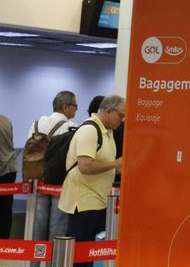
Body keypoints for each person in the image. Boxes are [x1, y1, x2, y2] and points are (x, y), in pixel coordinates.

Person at [57, 95, 124, 259]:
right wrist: (115, 165)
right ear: (109, 111)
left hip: (97, 201)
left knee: (90, 254)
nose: (122, 120)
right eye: (121, 115)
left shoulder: (107, 132)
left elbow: (103, 166)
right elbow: (85, 166)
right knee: (80, 255)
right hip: (84, 203)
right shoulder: (89, 130)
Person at [27, 91, 78, 239]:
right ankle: (55, 261)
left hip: (37, 179)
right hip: (60, 183)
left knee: (36, 228)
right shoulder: (71, 127)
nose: (76, 109)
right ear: (65, 107)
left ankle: (34, 261)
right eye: (75, 105)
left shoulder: (36, 124)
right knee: (57, 228)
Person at [0, 113, 15, 239]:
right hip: (9, 169)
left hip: (3, 169)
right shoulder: (6, 120)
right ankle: (4, 246)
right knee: (5, 210)